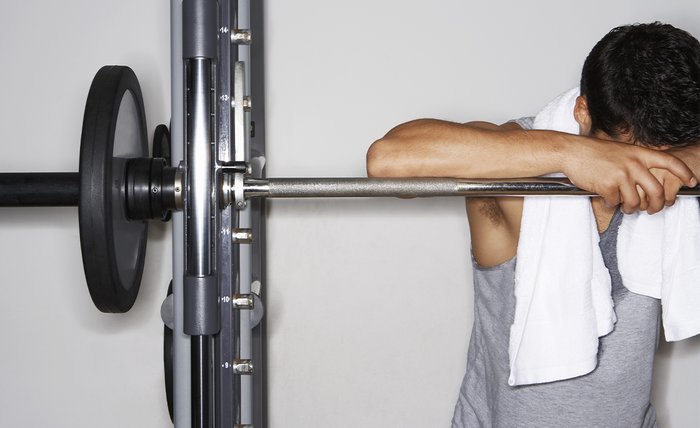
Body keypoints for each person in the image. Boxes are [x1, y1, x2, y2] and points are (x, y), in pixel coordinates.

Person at [366, 22, 700, 427]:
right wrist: (570, 154)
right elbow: (387, 162)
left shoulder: (683, 167)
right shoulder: (508, 161)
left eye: (659, 159)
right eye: (625, 155)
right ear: (583, 112)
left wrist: (689, 161)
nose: (639, 175)